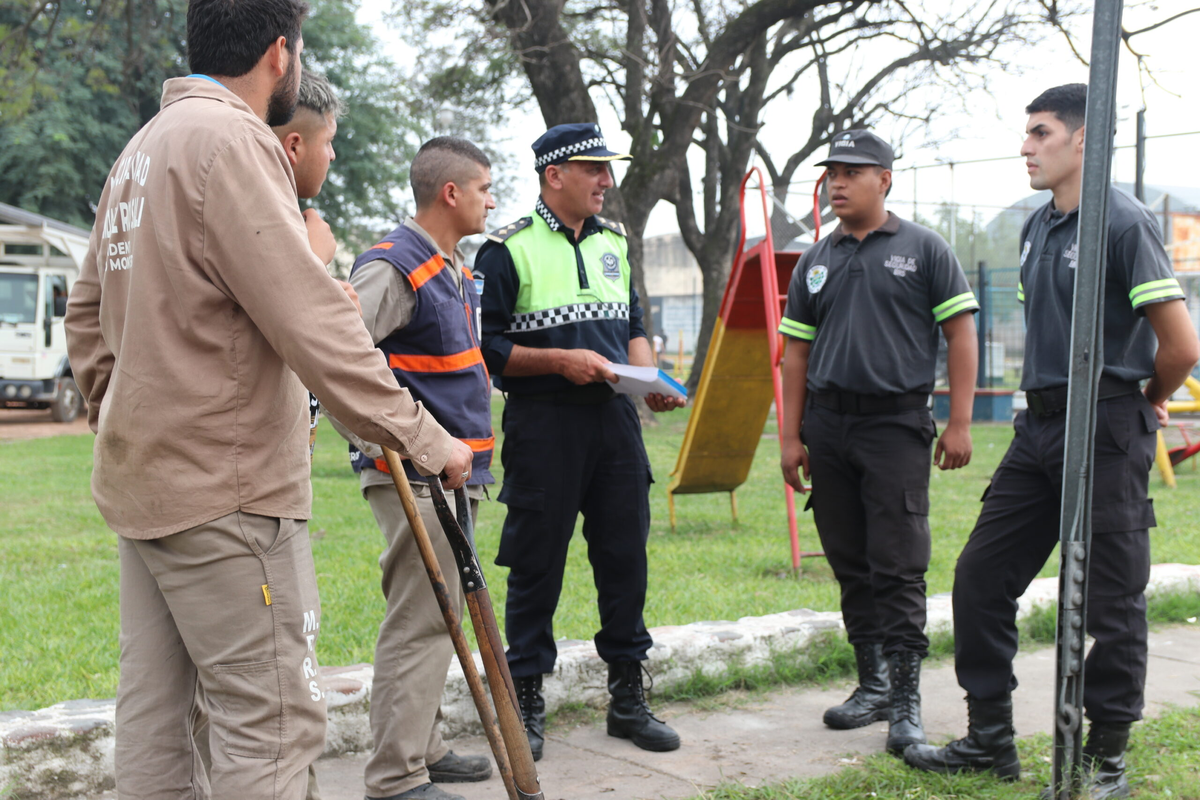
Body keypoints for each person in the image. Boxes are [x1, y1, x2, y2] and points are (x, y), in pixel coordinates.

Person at [63, 1, 473, 797]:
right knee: (273, 727)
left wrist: (126, 421)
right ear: (280, 54)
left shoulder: (140, 151)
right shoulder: (232, 141)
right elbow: (318, 327)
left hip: (148, 491)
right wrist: (430, 441)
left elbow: (86, 318)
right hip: (229, 497)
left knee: (155, 726)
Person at [903, 84, 1200, 797]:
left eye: (1040, 133)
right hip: (1036, 428)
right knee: (979, 577)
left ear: (1083, 140)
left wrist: (1143, 402)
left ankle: (1107, 762)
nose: (1026, 147)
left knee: (1111, 601)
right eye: (1026, 133)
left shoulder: (1122, 224)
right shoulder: (1039, 227)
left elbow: (1181, 346)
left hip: (1104, 426)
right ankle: (989, 739)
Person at [476, 122, 685, 761]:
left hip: (617, 429)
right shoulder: (504, 251)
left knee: (625, 560)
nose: (607, 181)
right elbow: (488, 350)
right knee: (536, 566)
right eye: (595, 168)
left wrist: (646, 377)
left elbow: (634, 324)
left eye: (607, 169)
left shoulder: (616, 242)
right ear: (554, 176)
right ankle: (527, 701)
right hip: (545, 429)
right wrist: (559, 363)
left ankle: (628, 698)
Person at [777, 129, 979, 755]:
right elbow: (795, 354)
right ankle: (873, 686)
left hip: (896, 425)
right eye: (831, 172)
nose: (837, 182)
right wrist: (790, 435)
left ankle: (908, 701)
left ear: (883, 179)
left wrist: (961, 420)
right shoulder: (816, 258)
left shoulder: (924, 249)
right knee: (848, 559)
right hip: (829, 428)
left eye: (851, 172)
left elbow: (961, 334)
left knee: (898, 564)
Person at [332, 136, 498, 800]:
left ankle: (422, 746)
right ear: (450, 193)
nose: (493, 199)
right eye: (486, 187)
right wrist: (382, 441)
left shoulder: (452, 265)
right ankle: (396, 776)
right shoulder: (395, 266)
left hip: (456, 473)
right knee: (423, 612)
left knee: (444, 610)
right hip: (414, 471)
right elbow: (338, 353)